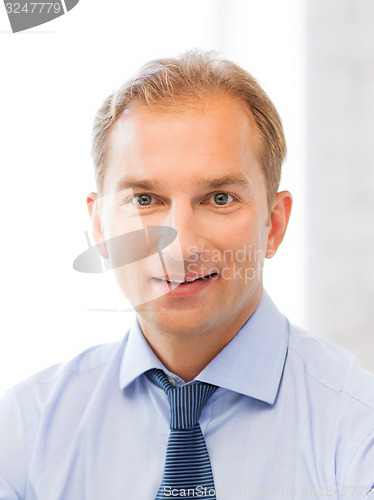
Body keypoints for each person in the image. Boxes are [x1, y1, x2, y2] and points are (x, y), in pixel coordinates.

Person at [1, 50, 374, 500]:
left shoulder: (357, 432)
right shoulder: (23, 435)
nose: (179, 248)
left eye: (219, 198)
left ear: (273, 224)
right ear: (100, 227)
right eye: (144, 200)